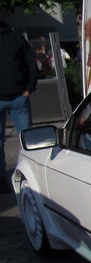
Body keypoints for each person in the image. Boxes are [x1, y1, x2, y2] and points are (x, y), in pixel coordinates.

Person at [0, 19, 38, 192]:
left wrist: (29, 88)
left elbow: (31, 62)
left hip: (19, 98)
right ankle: (1, 179)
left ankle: (31, 173)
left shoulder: (15, 37)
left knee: (27, 138)